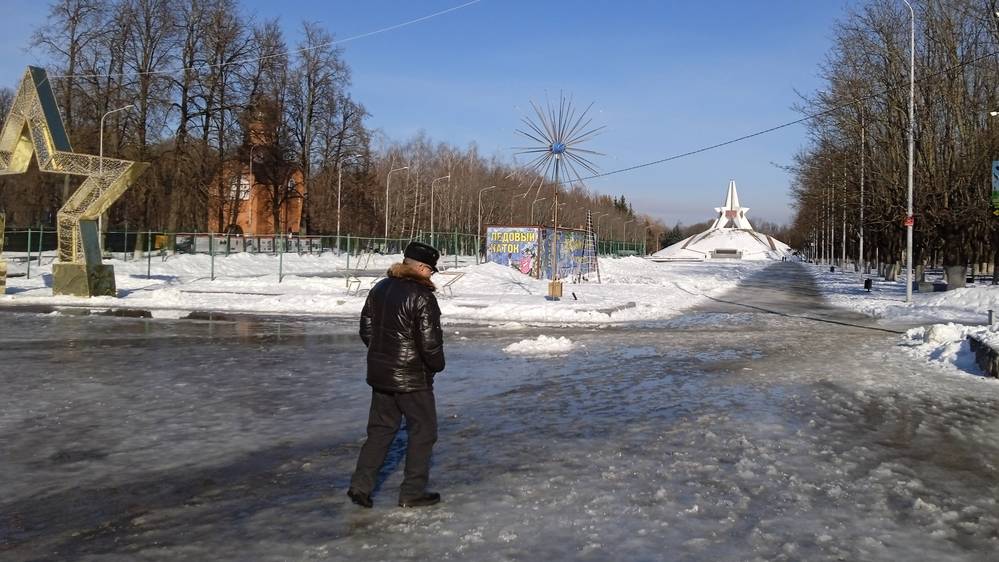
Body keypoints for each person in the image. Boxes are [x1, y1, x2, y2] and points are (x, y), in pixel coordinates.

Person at [347, 241, 446, 509]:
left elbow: (366, 328)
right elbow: (430, 343)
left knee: (380, 431)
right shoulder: (422, 296)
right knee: (424, 432)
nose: (432, 276)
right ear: (423, 268)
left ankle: (360, 486)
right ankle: (412, 492)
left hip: (381, 375)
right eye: (432, 270)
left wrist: (383, 355)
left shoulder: (380, 288)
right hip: (413, 378)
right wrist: (436, 365)